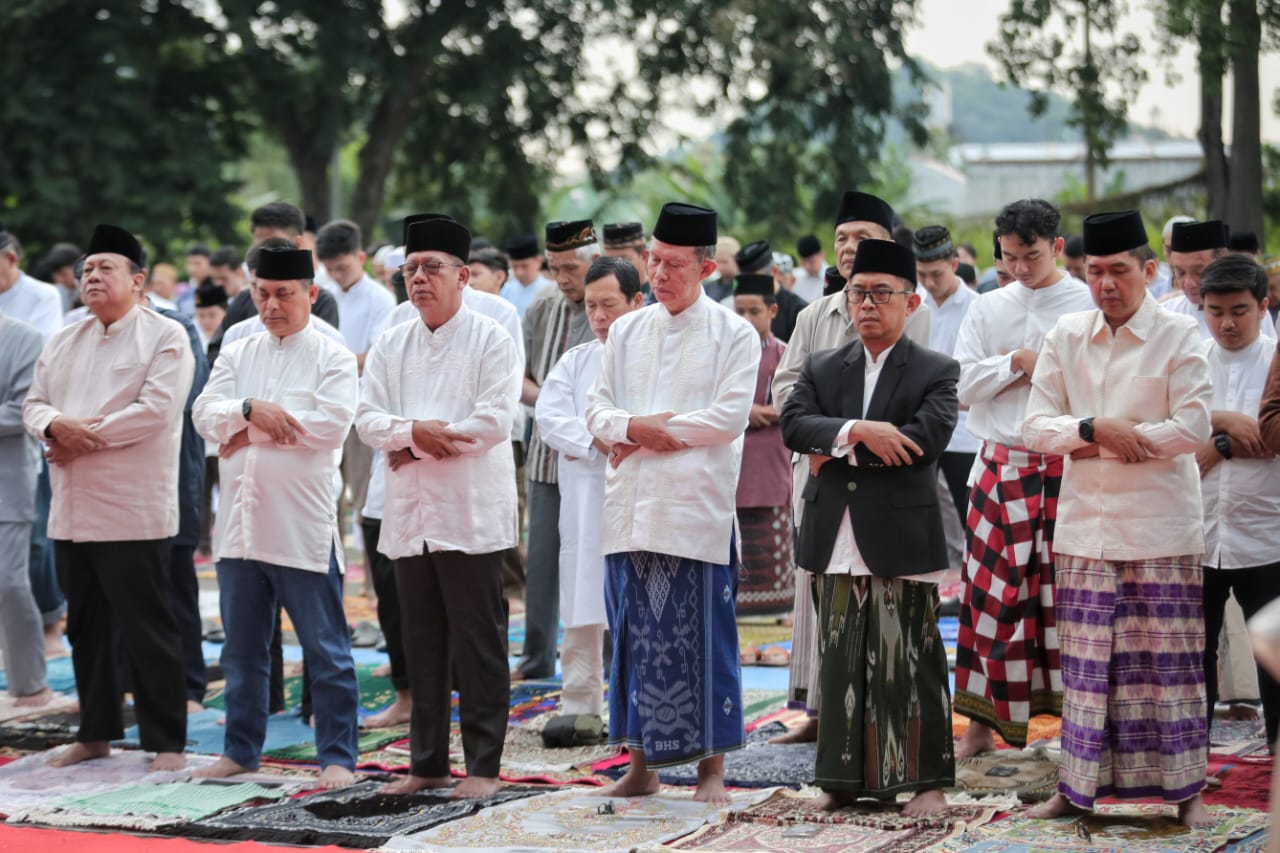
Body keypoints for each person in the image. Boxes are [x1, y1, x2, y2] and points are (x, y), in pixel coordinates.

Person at [1023, 209, 1213, 827]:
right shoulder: (1066, 336)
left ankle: (1187, 796)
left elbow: (1193, 427)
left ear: (1149, 271)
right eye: (1095, 271)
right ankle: (1076, 791)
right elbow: (1033, 426)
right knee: (1085, 668)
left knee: (1169, 668)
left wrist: (1093, 439)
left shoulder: (1181, 336)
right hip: (1086, 530)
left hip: (1161, 528)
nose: (1106, 284)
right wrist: (1096, 428)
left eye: (1119, 271)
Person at [586, 201, 759, 804]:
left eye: (673, 264)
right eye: (653, 261)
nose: (658, 275)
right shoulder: (628, 328)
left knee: (703, 641)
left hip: (694, 514)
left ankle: (711, 772)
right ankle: (643, 767)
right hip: (628, 511)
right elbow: (597, 409)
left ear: (706, 268)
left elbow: (728, 417)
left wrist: (648, 434)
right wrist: (634, 427)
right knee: (632, 639)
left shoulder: (734, 334)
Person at [780, 238, 959, 816]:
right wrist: (860, 430)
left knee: (910, 657)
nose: (867, 305)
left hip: (900, 535)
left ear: (910, 303)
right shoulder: (823, 364)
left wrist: (833, 446)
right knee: (839, 659)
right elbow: (793, 425)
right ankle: (839, 781)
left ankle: (926, 781)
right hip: (834, 533)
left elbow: (923, 442)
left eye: (882, 294)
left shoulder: (935, 369)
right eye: (858, 293)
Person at [356, 216, 521, 799]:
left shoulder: (492, 338)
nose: (419, 279)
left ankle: (482, 768)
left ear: (463, 275)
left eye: (431, 268)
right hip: (409, 514)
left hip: (471, 514)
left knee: (477, 642)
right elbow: (366, 417)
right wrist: (411, 433)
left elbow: (493, 422)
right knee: (420, 638)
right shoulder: (393, 339)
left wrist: (409, 443)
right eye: (410, 269)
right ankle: (426, 763)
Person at [23, 223, 193, 771]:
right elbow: (33, 405)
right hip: (71, 509)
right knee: (86, 629)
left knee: (148, 628)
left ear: (139, 280)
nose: (91, 277)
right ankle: (95, 732)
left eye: (105, 268)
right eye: (87, 270)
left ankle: (166, 741)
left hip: (132, 509)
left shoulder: (165, 335)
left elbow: (155, 412)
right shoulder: (64, 338)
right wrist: (54, 426)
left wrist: (78, 438)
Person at [192, 246, 359, 789]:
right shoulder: (239, 347)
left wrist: (240, 431)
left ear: (310, 293)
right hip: (240, 527)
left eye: (283, 293)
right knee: (241, 652)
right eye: (261, 293)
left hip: (300, 526)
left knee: (325, 651)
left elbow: (328, 427)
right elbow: (202, 414)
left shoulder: (332, 353)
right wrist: (247, 411)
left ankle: (337, 756)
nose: (270, 305)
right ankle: (241, 750)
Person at [770, 190, 931, 744]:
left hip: (882, 477)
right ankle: (820, 713)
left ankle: (878, 719)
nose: (847, 247)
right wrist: (828, 436)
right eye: (841, 238)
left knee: (883, 594)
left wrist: (844, 434)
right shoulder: (815, 315)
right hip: (818, 471)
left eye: (861, 238)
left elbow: (914, 396)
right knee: (817, 590)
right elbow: (787, 389)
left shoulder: (914, 312)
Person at [952, 199, 1094, 759]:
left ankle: (1076, 732)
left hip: (1065, 466)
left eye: (1031, 255)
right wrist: (1016, 362)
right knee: (988, 597)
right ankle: (980, 727)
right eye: (1009, 257)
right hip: (1000, 466)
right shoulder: (987, 307)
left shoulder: (1084, 303)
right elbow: (960, 386)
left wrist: (1045, 370)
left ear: (1057, 248)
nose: (1019, 268)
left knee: (1069, 600)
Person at [534, 256, 643, 726]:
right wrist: (594, 439)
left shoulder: (653, 360)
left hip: (639, 502)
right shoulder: (576, 361)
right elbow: (548, 417)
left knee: (638, 607)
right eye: (592, 306)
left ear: (637, 303)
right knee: (581, 597)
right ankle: (579, 705)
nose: (598, 317)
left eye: (609, 305)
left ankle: (639, 708)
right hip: (583, 500)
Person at [1193, 254, 1280, 746]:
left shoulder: (1276, 360)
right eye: (1216, 310)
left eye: (1240, 310)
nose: (1227, 322)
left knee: (1273, 647)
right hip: (1198, 530)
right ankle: (1193, 750)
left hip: (1266, 529)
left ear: (1263, 306)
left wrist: (1217, 442)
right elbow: (1170, 428)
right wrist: (1228, 421)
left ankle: (1277, 750)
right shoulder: (1189, 362)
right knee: (1194, 649)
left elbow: (1270, 437)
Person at [515, 220, 599, 681]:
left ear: (593, 260)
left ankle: (604, 664)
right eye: (555, 268)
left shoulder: (611, 306)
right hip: (547, 453)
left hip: (597, 457)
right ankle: (535, 660)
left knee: (597, 559)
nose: (563, 278)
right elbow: (520, 376)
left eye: (571, 268)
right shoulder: (542, 304)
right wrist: (551, 399)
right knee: (542, 561)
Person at [0, 226, 69, 656]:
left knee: (36, 540)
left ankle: (50, 622)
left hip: (30, 438)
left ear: (11, 259)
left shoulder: (41, 298)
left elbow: (40, 370)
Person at [913, 225, 979, 571]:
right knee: (919, 513)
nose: (929, 282)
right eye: (922, 274)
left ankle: (973, 583)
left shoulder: (978, 308)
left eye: (936, 274)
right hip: (920, 426)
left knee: (971, 514)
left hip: (965, 430)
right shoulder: (913, 305)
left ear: (954, 264)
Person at [730, 273, 794, 617]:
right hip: (733, 461)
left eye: (754, 311)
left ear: (772, 310)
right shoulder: (722, 355)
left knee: (771, 532)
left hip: (770, 461)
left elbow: (797, 403)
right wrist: (747, 411)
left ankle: (778, 607)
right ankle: (736, 606)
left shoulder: (786, 352)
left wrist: (761, 413)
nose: (746, 319)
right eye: (739, 311)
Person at [0, 315, 53, 708]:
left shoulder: (23, 338)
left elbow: (25, 408)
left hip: (7, 481)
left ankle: (30, 684)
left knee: (8, 582)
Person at [500, 233, 554, 318]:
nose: (519, 272)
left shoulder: (550, 290)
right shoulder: (505, 291)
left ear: (538, 261)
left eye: (524, 266)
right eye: (515, 266)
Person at [603, 222, 652, 301]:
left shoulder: (659, 299)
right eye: (609, 261)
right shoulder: (605, 300)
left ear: (644, 256)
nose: (615, 268)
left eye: (623, 260)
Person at [792, 235, 827, 303]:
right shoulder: (795, 276)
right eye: (803, 262)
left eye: (811, 262)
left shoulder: (832, 277)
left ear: (822, 255)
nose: (807, 266)